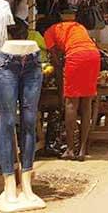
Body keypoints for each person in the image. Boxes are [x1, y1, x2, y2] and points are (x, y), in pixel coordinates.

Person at [44, 20, 100, 161]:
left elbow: (56, 62)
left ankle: (69, 149)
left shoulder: (48, 33)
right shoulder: (75, 26)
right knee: (86, 103)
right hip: (93, 55)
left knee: (71, 103)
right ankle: (82, 150)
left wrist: (60, 87)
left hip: (76, 57)